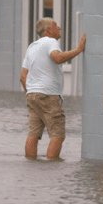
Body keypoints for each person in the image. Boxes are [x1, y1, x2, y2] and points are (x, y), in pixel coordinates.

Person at [20, 18, 85, 160]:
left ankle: (30, 163)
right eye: (56, 25)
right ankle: (53, 165)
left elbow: (23, 77)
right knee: (58, 134)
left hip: (32, 95)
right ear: (49, 30)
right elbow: (57, 58)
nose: (60, 28)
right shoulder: (51, 41)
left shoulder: (31, 47)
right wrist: (79, 50)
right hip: (48, 95)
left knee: (33, 134)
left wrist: (32, 93)